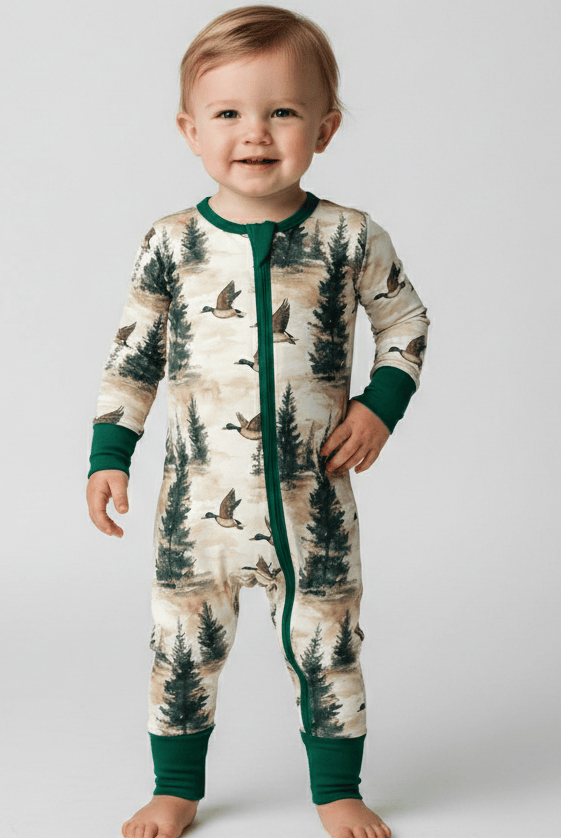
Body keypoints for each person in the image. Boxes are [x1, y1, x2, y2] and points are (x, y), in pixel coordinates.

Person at [86, 6, 430, 837]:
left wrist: (378, 407)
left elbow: (405, 323)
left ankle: (337, 790)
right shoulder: (170, 244)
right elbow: (132, 357)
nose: (255, 133)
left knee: (329, 644)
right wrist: (109, 453)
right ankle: (176, 788)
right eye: (228, 113)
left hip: (316, 507)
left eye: (281, 111)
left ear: (324, 128)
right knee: (182, 648)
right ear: (190, 130)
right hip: (194, 513)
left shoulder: (348, 237)